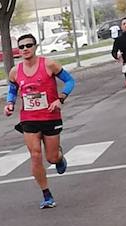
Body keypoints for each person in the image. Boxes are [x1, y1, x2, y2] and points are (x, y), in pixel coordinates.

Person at [5, 33, 74, 209]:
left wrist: (61, 98)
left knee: (50, 157)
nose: (25, 49)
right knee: (35, 156)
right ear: (18, 50)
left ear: (35, 47)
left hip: (50, 116)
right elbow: (12, 89)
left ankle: (59, 158)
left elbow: (69, 80)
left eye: (28, 45)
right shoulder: (15, 71)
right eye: (21, 47)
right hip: (29, 118)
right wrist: (10, 104)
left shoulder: (49, 64)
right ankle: (47, 195)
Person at [113, 17, 126, 102]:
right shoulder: (118, 40)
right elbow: (114, 51)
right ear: (121, 26)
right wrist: (117, 56)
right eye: (124, 24)